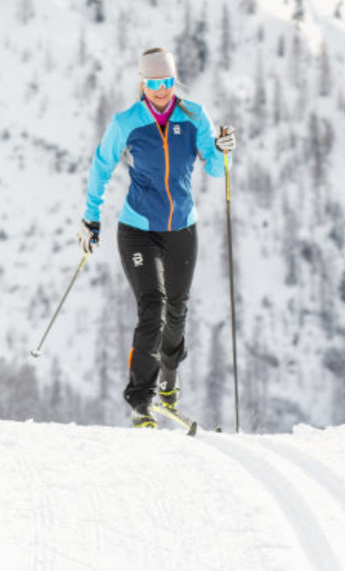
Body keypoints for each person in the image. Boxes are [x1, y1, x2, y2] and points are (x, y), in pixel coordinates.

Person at [78, 48, 235, 428]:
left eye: (167, 81)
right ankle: (141, 401)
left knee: (177, 311)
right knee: (153, 308)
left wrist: (222, 150)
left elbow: (215, 169)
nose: (161, 89)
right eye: (153, 83)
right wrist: (90, 217)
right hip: (138, 230)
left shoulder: (194, 116)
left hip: (182, 228)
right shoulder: (127, 122)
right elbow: (101, 165)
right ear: (142, 83)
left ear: (174, 79)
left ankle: (169, 381)